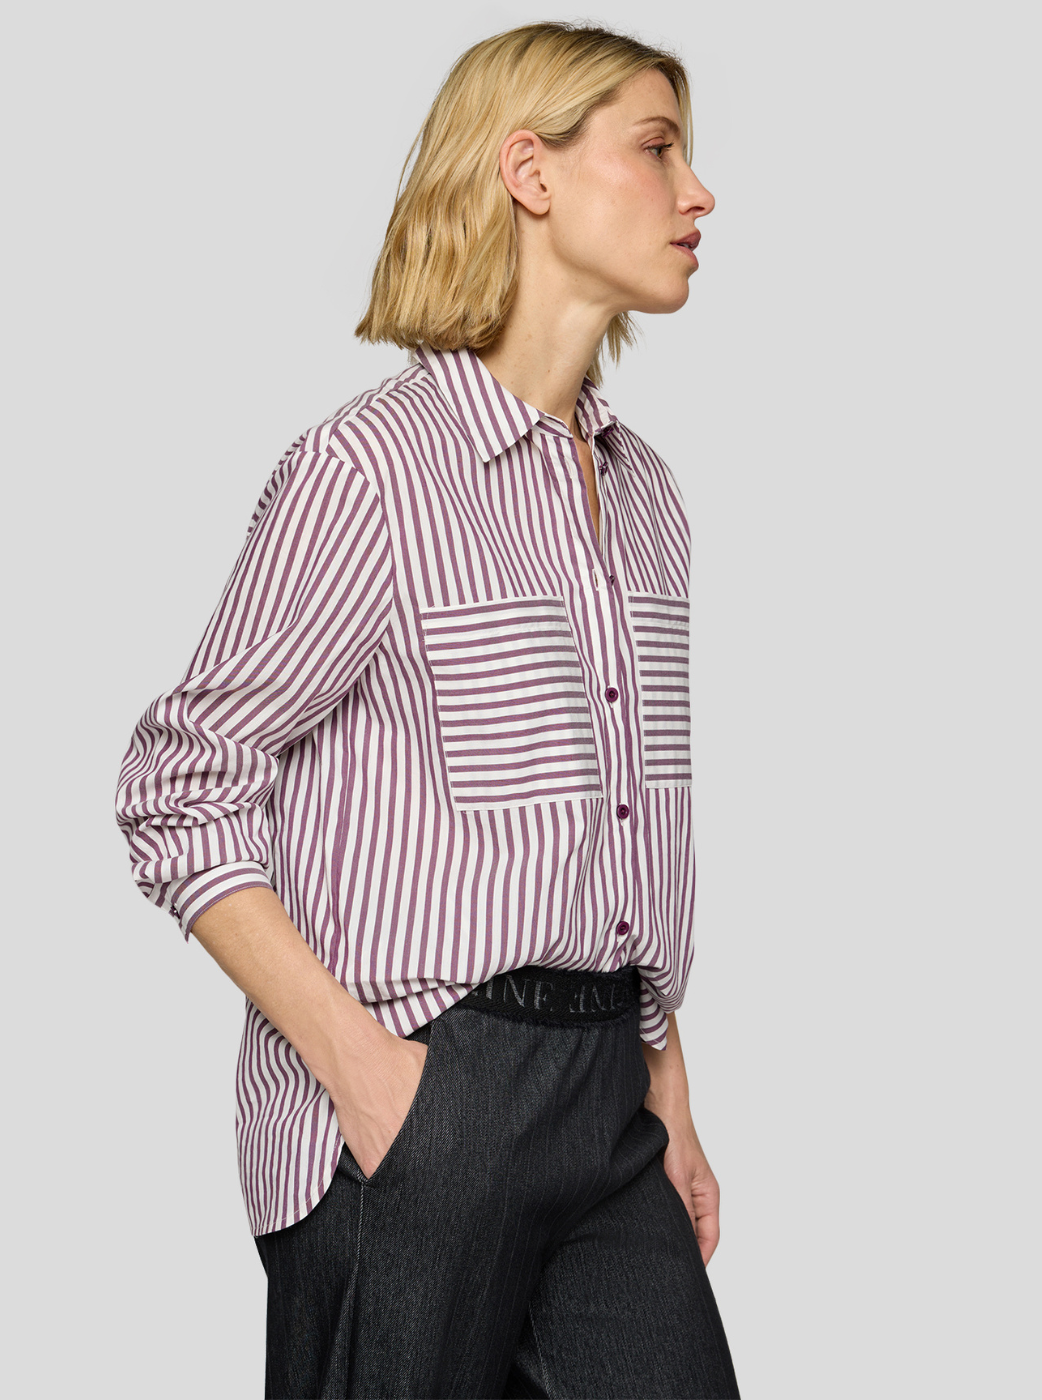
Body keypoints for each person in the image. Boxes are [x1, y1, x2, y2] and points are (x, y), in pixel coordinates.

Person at [115, 20, 739, 1399]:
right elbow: (181, 782)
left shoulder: (648, 499)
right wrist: (370, 1075)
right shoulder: (371, 472)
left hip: (610, 1094)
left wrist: (668, 1085)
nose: (699, 193)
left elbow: (620, 833)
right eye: (657, 149)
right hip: (424, 1090)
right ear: (530, 171)